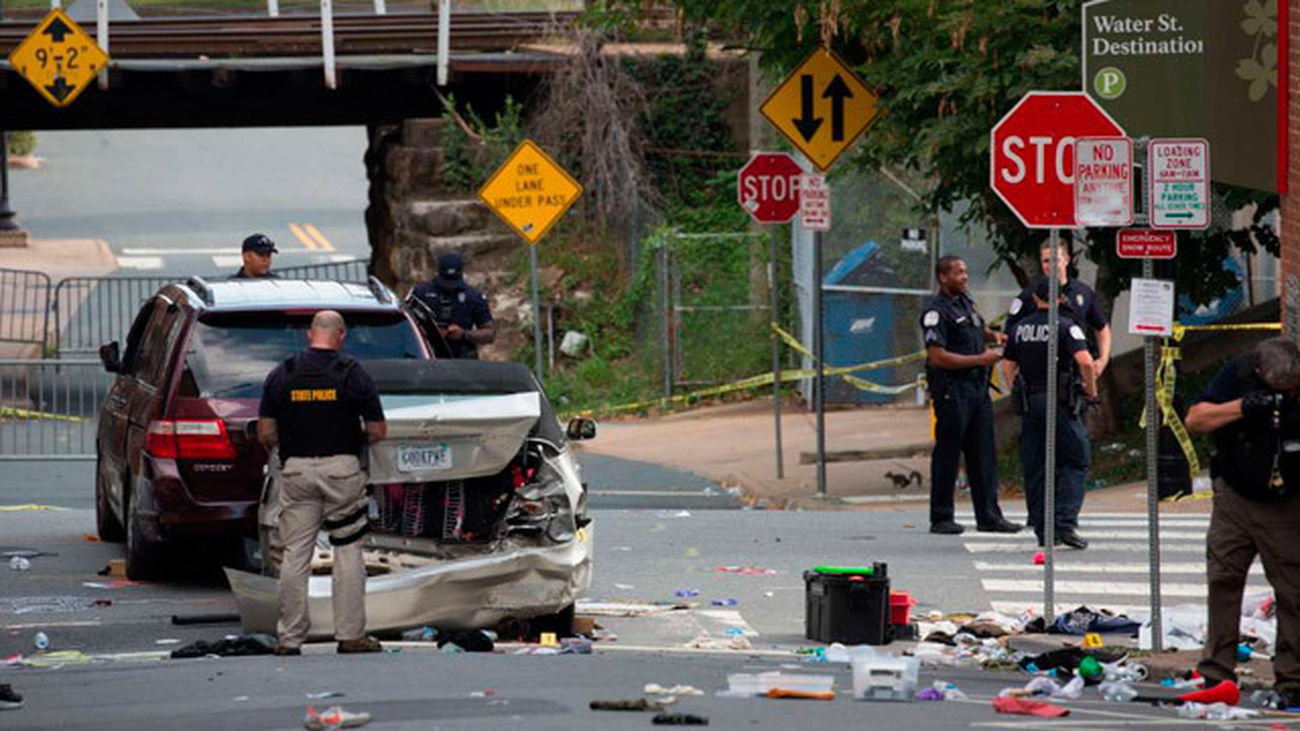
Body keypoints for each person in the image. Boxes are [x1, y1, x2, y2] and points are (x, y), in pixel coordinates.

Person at [257, 310, 386, 655]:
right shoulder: (353, 374)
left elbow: (266, 432)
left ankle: (290, 638)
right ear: (341, 336)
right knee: (348, 550)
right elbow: (377, 431)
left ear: (309, 334)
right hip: (341, 472)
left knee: (295, 553)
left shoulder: (282, 374)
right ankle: (350, 635)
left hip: (297, 472)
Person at [1185, 338, 1300, 707]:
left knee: (1293, 590)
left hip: (1285, 501)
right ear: (1260, 372)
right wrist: (1243, 407)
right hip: (1234, 495)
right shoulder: (1238, 372)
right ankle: (1216, 671)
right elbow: (1195, 419)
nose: (1284, 395)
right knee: (1223, 579)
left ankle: (1292, 677)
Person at [920, 255, 1021, 535]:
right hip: (953, 391)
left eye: (965, 272)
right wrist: (980, 359)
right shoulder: (936, 312)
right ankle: (941, 517)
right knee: (949, 454)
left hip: (977, 390)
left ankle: (989, 516)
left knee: (983, 453)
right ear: (943, 277)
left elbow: (974, 328)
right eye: (959, 273)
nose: (965, 277)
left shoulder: (965, 303)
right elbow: (937, 356)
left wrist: (994, 337)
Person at [1001, 278, 1098, 550]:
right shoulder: (1067, 326)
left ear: (1035, 299)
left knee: (1036, 466)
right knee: (1075, 459)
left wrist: (1017, 390)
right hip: (1060, 401)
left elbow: (1007, 366)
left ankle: (1044, 530)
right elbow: (1085, 362)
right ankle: (1064, 523)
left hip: (1030, 403)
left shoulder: (1019, 328)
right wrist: (1091, 390)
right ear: (1060, 298)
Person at [1006, 240, 1111, 378]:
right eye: (1046, 261)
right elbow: (1009, 336)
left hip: (1074, 374)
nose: (1051, 266)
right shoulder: (1029, 295)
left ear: (1067, 260)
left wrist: (1103, 360)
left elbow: (1102, 328)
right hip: (1037, 375)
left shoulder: (1083, 293)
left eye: (1055, 260)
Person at [405, 251, 495, 359]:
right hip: (427, 356)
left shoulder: (473, 297)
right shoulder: (421, 293)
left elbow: (490, 334)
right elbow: (405, 324)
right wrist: (430, 332)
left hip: (462, 358)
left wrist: (464, 334)